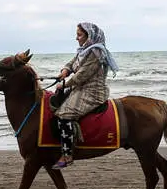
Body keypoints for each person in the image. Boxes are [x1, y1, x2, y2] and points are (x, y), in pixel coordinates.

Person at [51, 22, 119, 170]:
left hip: (92, 92)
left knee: (63, 115)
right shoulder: (83, 50)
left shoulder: (96, 52)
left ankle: (67, 155)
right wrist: (65, 70)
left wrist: (64, 84)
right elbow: (73, 62)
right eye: (77, 34)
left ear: (90, 36)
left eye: (79, 35)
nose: (77, 38)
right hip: (80, 88)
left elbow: (82, 75)